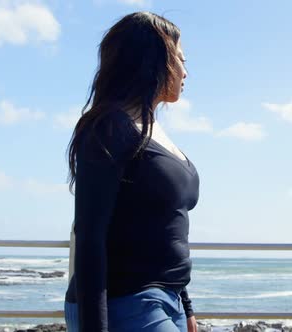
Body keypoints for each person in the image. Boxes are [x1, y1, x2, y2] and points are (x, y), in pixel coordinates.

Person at [63, 11, 199, 332]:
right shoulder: (109, 127)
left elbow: (163, 227)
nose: (185, 71)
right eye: (179, 59)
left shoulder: (154, 131)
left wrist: (186, 306)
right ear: (152, 59)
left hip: (168, 301)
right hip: (126, 302)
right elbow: (90, 236)